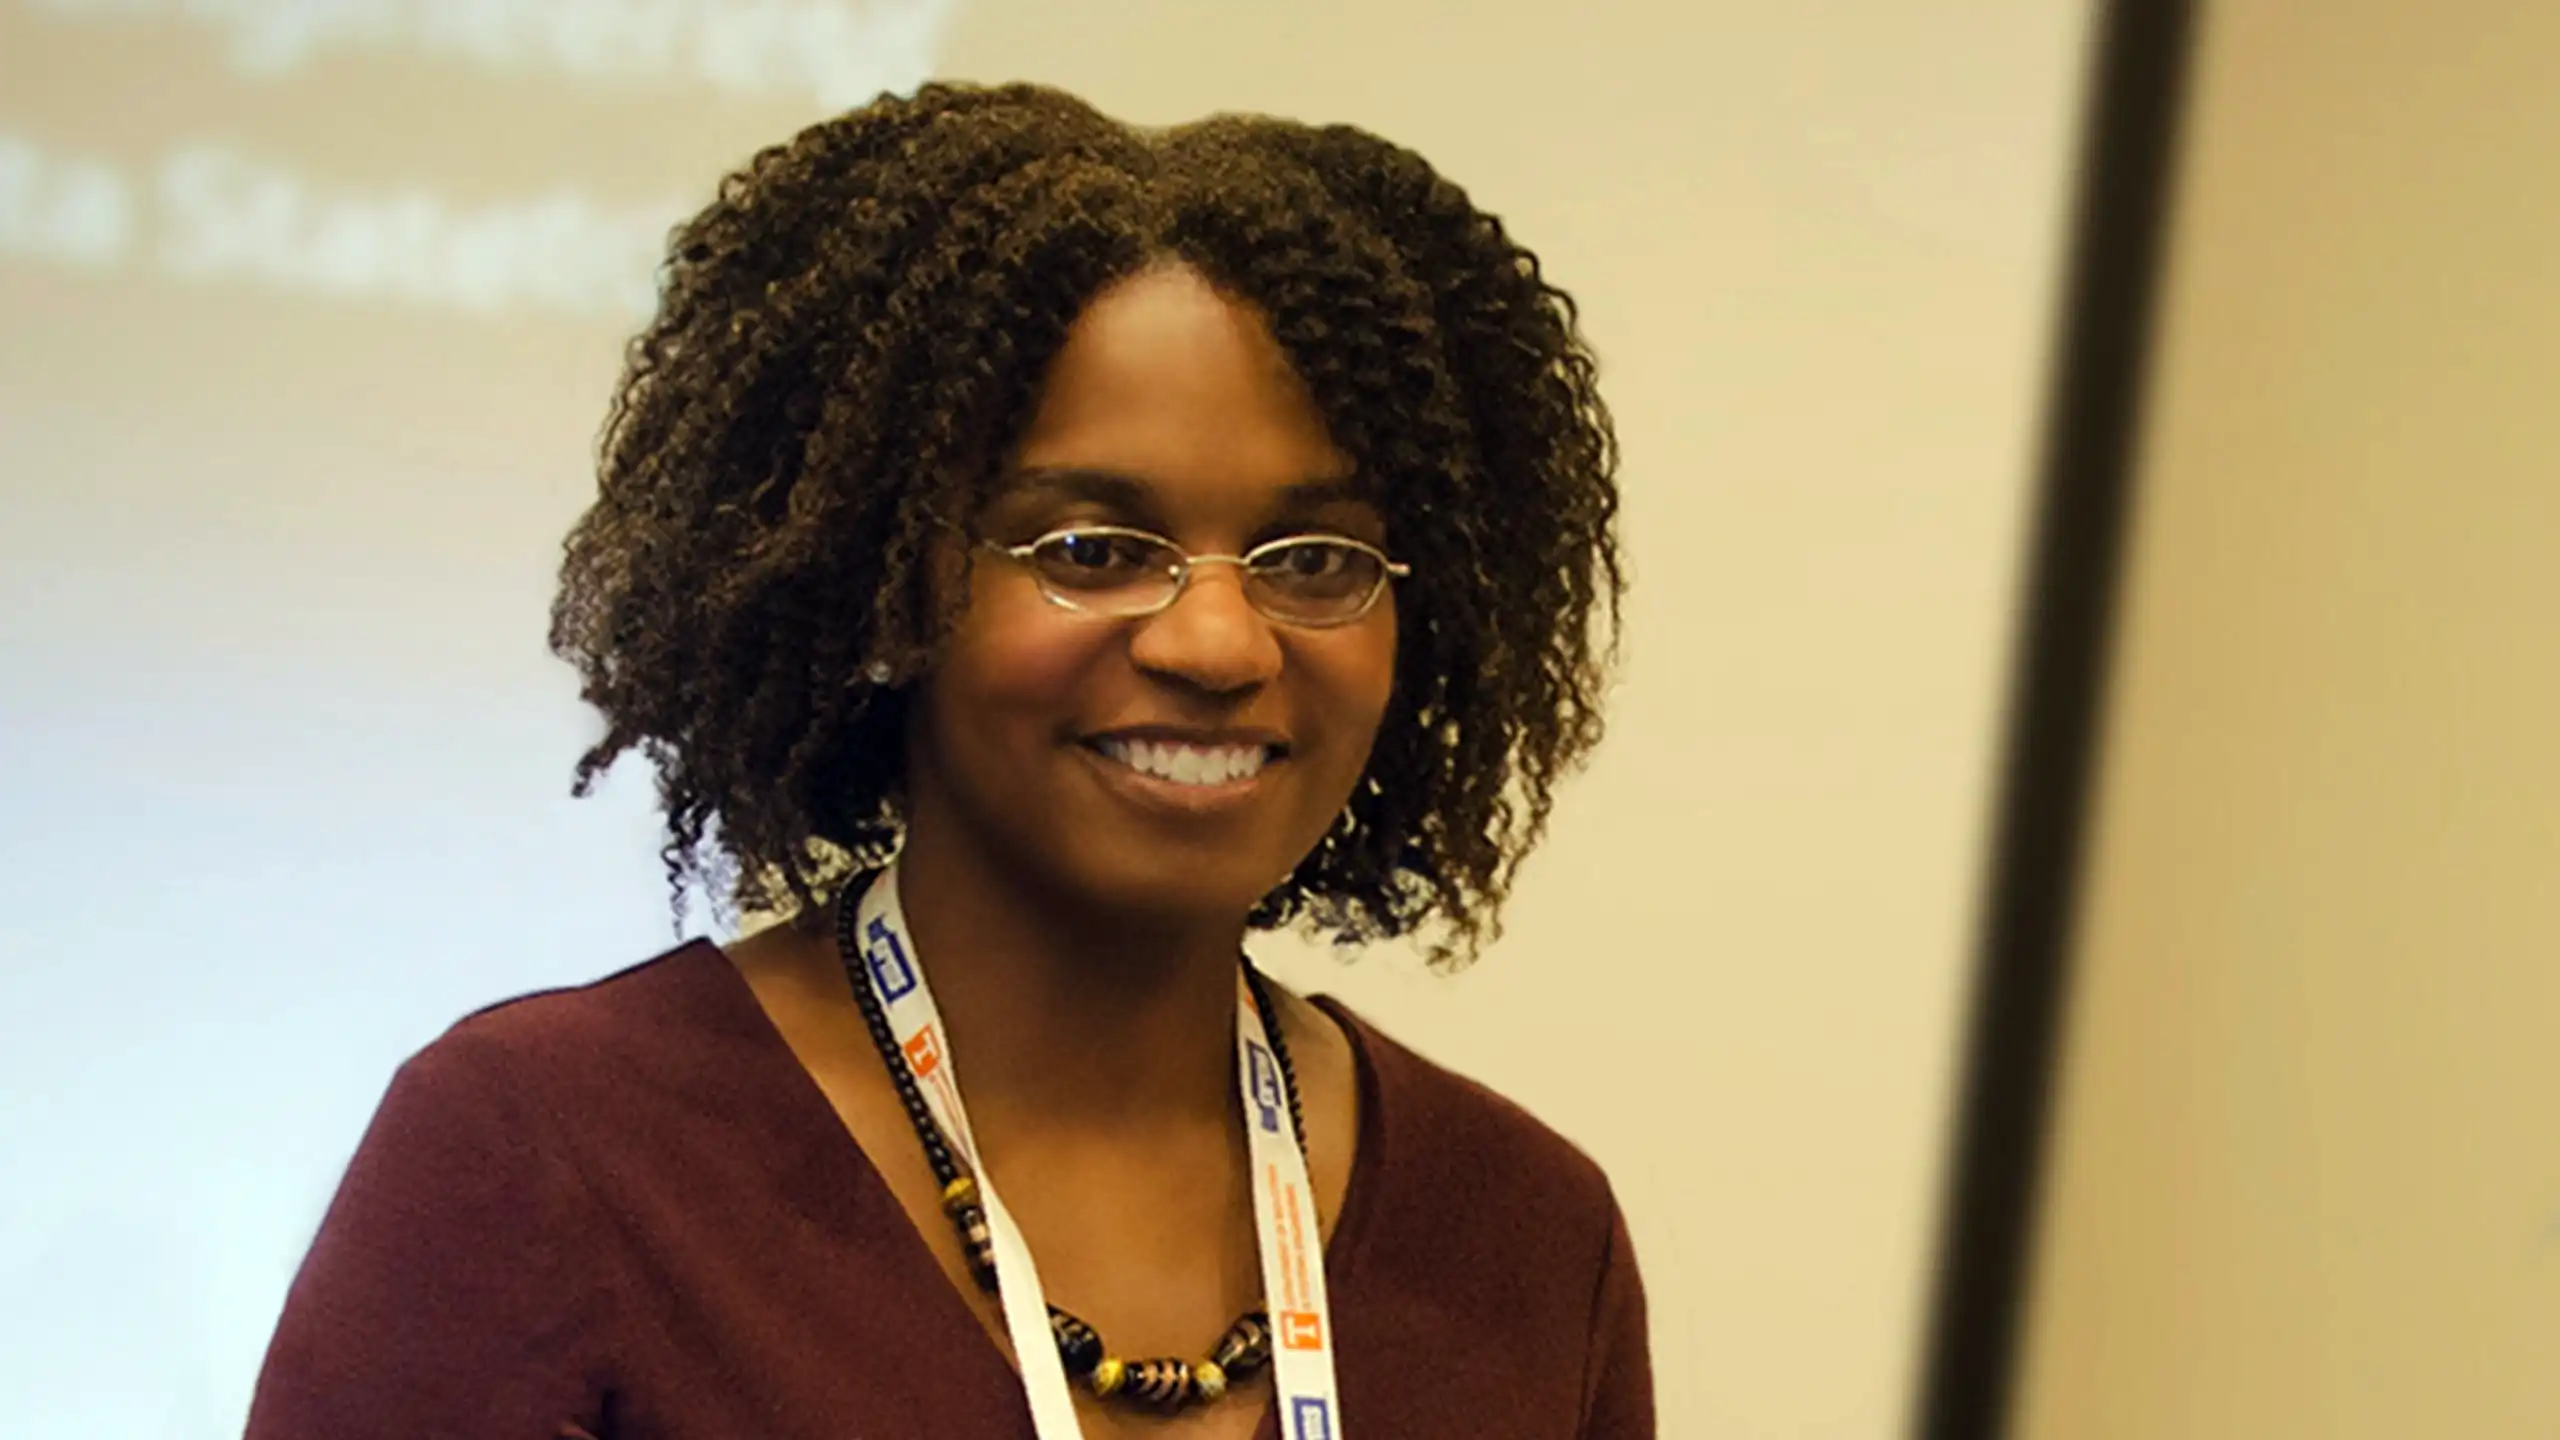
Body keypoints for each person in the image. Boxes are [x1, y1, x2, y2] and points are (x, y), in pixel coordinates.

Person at [245, 80, 1645, 1440]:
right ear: (875, 578)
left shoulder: (1527, 1237)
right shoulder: (549, 1157)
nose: (1220, 640)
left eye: (1315, 559)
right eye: (1094, 549)